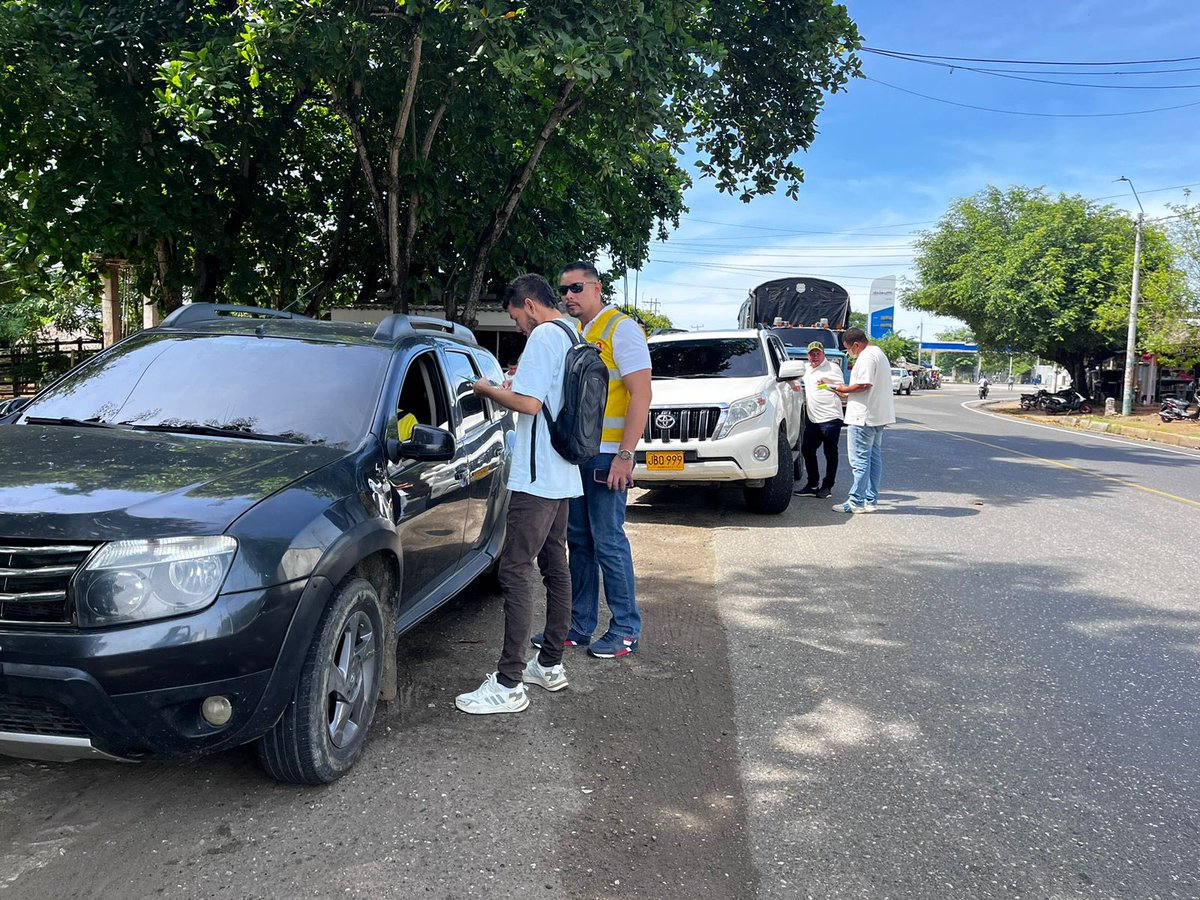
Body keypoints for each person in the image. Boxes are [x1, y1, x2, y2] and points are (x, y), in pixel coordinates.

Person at [455, 274, 582, 715]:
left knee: (514, 569)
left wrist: (487, 390)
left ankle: (509, 683)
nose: (517, 327)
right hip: (563, 470)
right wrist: (517, 383)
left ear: (529, 305)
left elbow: (529, 404)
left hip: (537, 476)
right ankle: (549, 664)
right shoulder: (572, 332)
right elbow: (546, 396)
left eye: (515, 318)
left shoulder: (545, 335)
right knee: (555, 566)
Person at [532, 261, 651, 659]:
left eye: (576, 288)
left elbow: (641, 394)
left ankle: (625, 629)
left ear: (597, 288)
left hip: (607, 458)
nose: (569, 296)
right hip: (579, 455)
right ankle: (579, 625)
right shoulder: (577, 333)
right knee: (579, 541)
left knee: (608, 541)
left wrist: (625, 456)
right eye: (564, 290)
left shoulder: (621, 329)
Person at [827, 328, 895, 513]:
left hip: (863, 418)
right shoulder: (879, 354)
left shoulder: (866, 357)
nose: (850, 353)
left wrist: (843, 389)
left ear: (856, 345)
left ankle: (856, 502)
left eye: (849, 349)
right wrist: (847, 392)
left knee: (860, 461)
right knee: (873, 459)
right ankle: (870, 500)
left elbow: (864, 384)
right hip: (877, 416)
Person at [794, 341, 844, 500]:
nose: (815, 356)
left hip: (831, 418)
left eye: (818, 353)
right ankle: (812, 484)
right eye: (812, 354)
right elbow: (790, 377)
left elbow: (842, 388)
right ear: (808, 356)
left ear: (823, 354)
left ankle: (827, 486)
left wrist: (827, 383)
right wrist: (792, 383)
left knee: (830, 452)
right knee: (807, 450)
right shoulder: (806, 368)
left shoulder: (832, 368)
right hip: (813, 419)